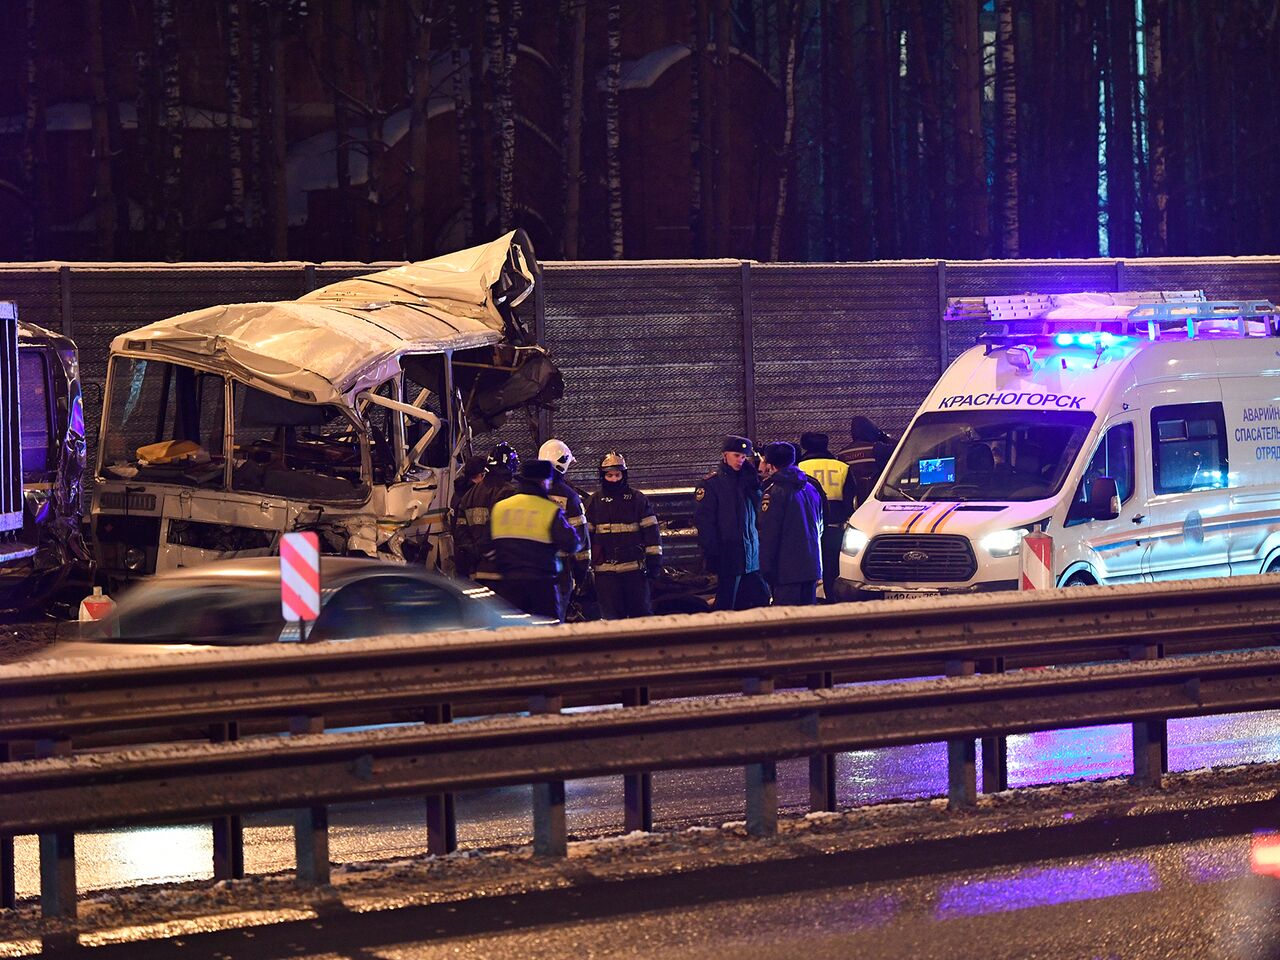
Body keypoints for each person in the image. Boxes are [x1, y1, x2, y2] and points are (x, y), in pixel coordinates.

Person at [489, 459, 578, 620]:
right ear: (543, 481)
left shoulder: (500, 507)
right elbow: (572, 544)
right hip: (542, 587)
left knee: (513, 634)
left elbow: (485, 547)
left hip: (508, 587)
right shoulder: (549, 510)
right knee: (547, 636)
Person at [585, 451, 662, 619]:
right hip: (605, 575)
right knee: (611, 621)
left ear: (624, 474)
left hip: (634, 572)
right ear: (602, 475)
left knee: (641, 619)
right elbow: (586, 538)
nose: (613, 479)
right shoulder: (594, 502)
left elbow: (652, 533)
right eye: (609, 475)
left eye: (617, 475)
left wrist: (654, 563)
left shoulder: (638, 499)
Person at [694, 435, 766, 612]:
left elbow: (760, 510)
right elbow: (705, 522)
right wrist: (711, 552)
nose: (740, 460)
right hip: (729, 554)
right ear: (724, 455)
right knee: (727, 604)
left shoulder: (747, 480)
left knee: (761, 601)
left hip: (752, 555)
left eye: (743, 457)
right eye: (736, 455)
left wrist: (754, 484)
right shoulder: (712, 484)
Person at [758, 441, 824, 605]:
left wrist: (766, 569)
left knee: (787, 622)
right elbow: (820, 526)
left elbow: (769, 535)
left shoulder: (774, 492)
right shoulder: (810, 487)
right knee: (809, 621)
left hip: (786, 571)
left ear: (771, 466)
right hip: (811, 566)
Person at [797, 432, 859, 601]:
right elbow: (851, 499)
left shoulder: (799, 467)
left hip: (807, 529)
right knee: (832, 568)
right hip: (835, 527)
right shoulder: (842, 467)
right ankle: (834, 603)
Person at [538, 438, 592, 620]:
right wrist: (581, 575)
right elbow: (580, 543)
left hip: (529, 569)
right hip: (559, 573)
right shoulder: (570, 497)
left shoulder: (526, 491)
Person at [453, 443, 519, 585]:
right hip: (504, 573)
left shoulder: (469, 495)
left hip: (477, 571)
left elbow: (460, 532)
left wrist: (475, 553)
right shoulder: (510, 493)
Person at [837, 415, 895, 500]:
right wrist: (884, 437)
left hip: (854, 499)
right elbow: (901, 450)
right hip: (875, 495)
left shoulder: (842, 453)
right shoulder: (877, 448)